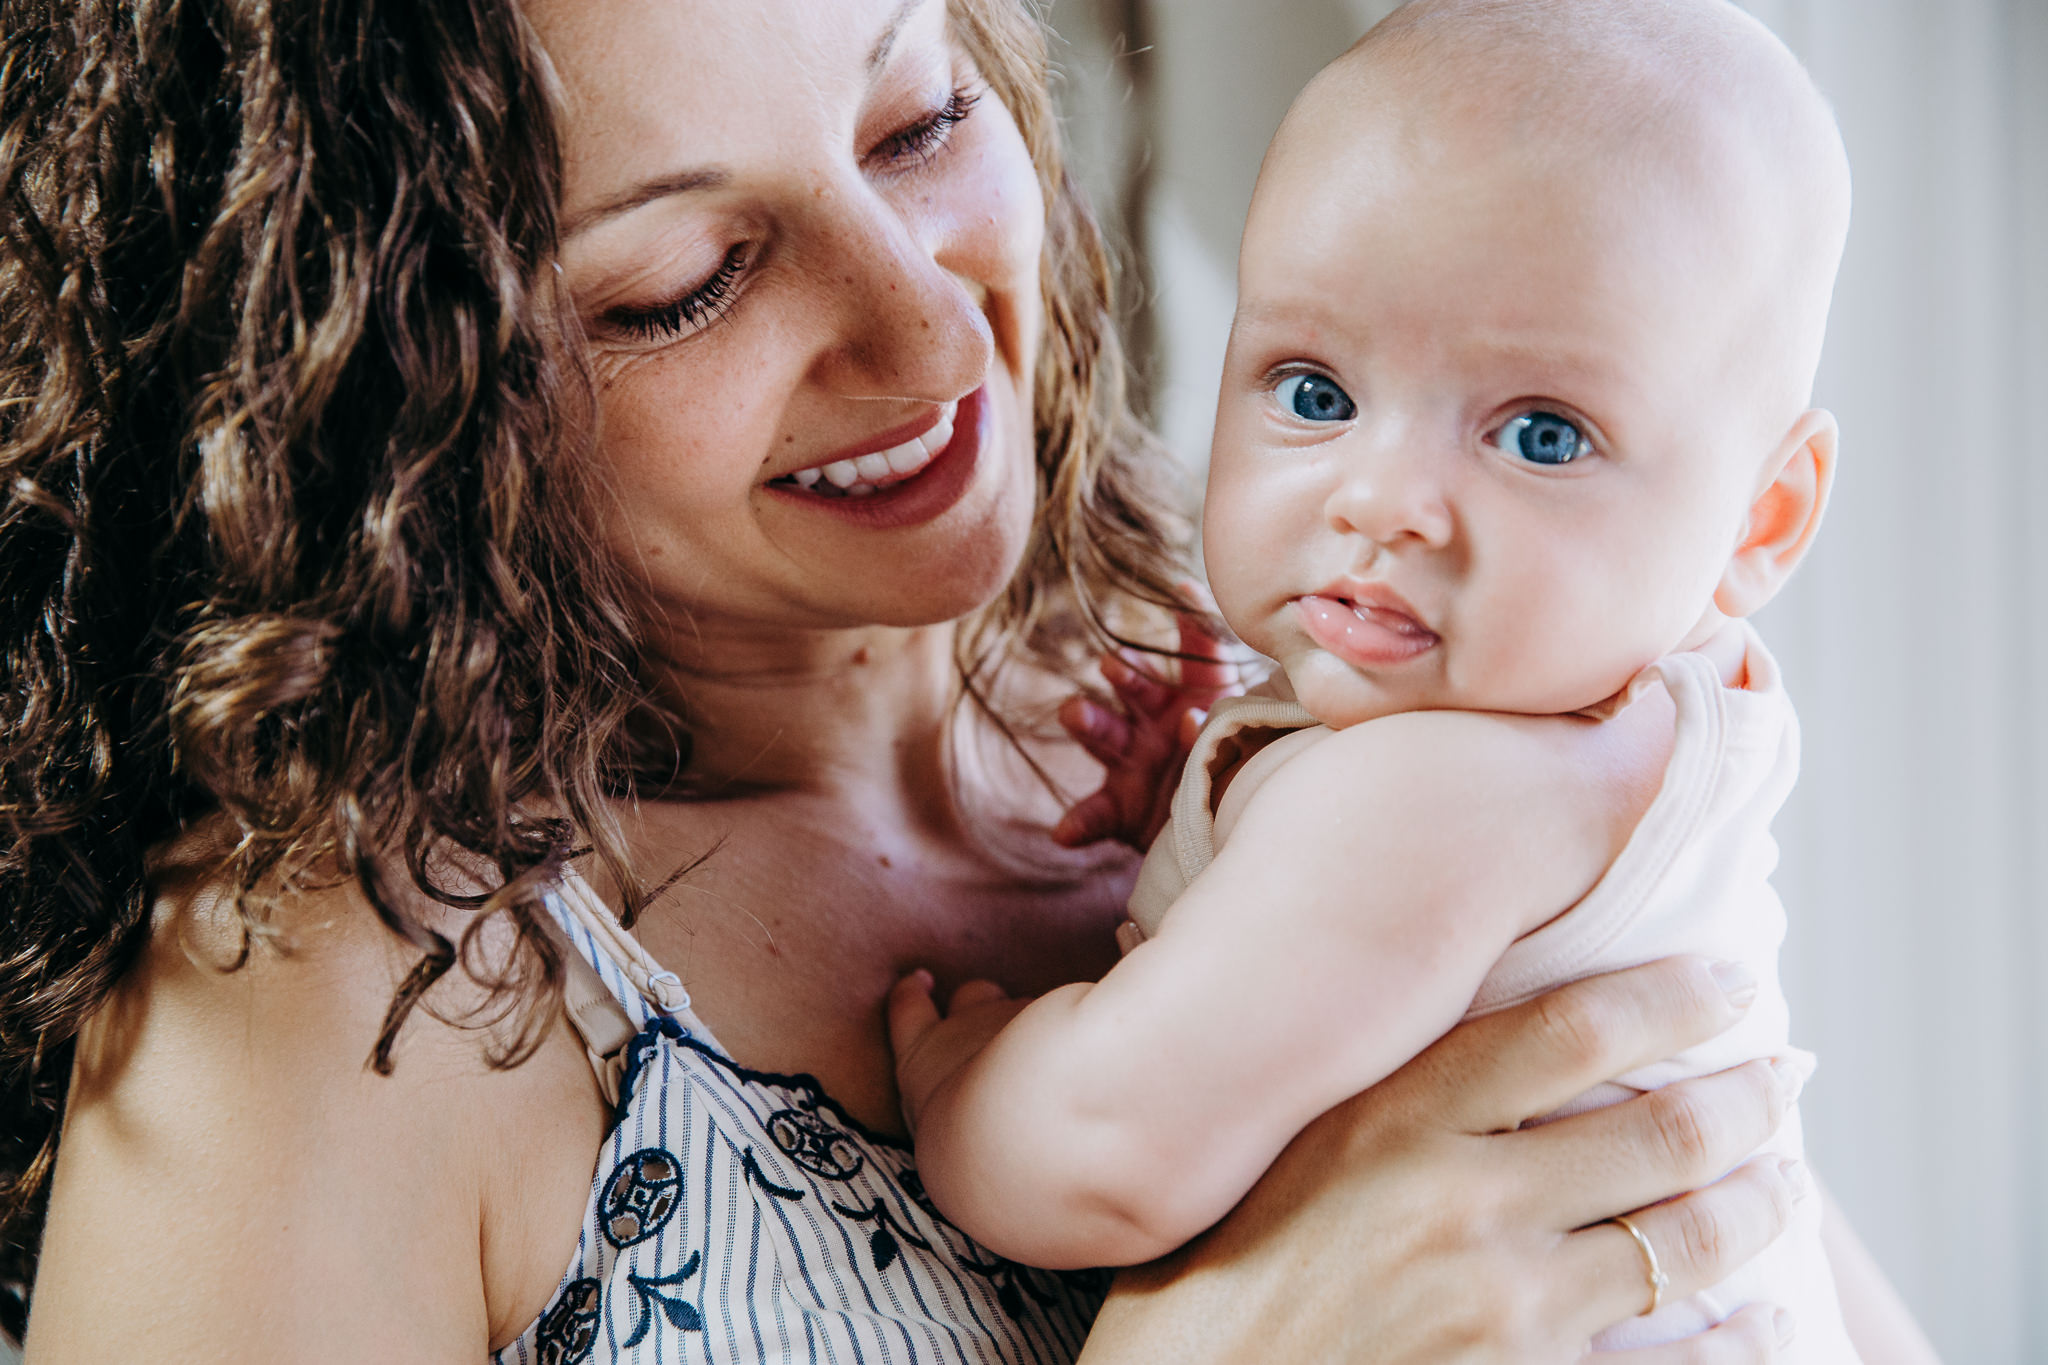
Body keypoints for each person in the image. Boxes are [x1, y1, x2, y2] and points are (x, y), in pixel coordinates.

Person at [3, 0, 1805, 1360]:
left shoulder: (1300, 651)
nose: (937, 334)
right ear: (382, 393)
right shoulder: (332, 999)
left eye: (922, 121)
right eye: (688, 284)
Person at [888, 2, 1937, 1361]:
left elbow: (1104, 1149)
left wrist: (959, 1081)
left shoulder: (1448, 787)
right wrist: (1212, 815)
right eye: (1315, 392)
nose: (1384, 501)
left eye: (1542, 434)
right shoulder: (1626, 716)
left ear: (1763, 521)